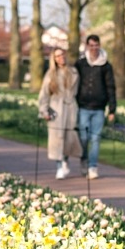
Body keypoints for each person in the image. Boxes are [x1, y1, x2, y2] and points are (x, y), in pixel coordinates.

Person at [74, 33, 117, 179]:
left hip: (99, 108)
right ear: (87, 46)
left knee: (95, 138)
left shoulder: (106, 65)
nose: (94, 48)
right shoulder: (80, 64)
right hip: (83, 106)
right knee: (84, 137)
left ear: (99, 46)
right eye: (91, 45)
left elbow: (111, 87)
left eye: (96, 45)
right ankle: (84, 160)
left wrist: (112, 109)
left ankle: (93, 166)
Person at [37, 46, 82, 179]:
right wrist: (44, 110)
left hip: (71, 107)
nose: (61, 57)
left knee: (69, 137)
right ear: (54, 59)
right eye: (57, 56)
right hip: (56, 107)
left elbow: (77, 90)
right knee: (56, 138)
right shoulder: (50, 74)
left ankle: (65, 160)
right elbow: (44, 94)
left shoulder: (73, 72)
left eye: (62, 54)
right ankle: (59, 166)